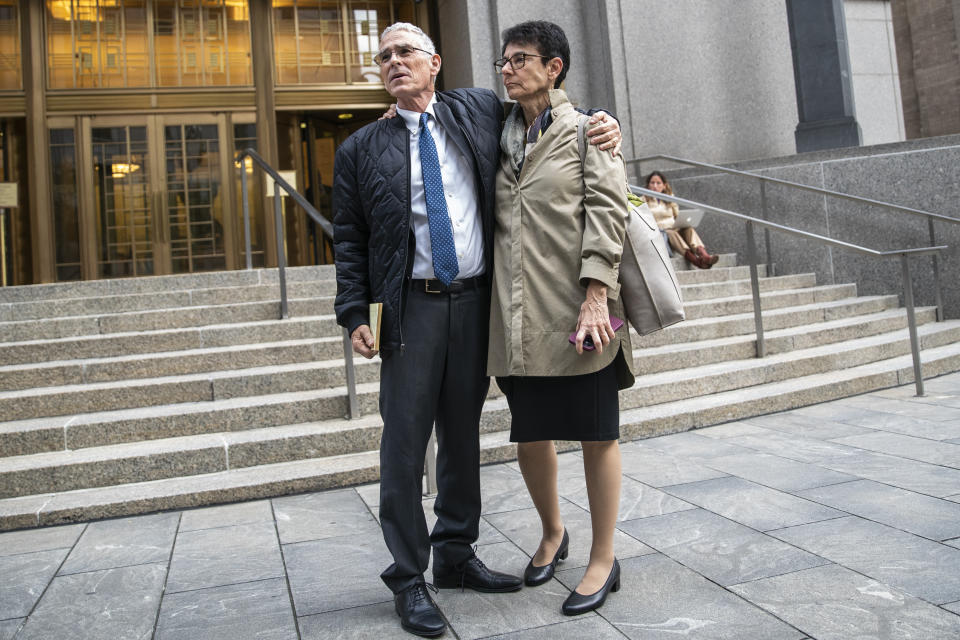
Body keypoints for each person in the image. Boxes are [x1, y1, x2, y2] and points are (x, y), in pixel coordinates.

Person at [332, 22, 621, 638]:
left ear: (436, 63)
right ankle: (409, 576)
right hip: (410, 309)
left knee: (462, 435)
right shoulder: (362, 148)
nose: (393, 62)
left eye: (405, 52)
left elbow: (547, 106)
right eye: (383, 56)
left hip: (477, 303)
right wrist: (356, 314)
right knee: (405, 446)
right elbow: (350, 241)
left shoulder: (477, 110)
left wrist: (604, 121)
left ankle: (456, 556)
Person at [487, 21, 635, 617]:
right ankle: (553, 531)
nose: (507, 68)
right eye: (503, 60)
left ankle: (604, 556)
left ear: (555, 68)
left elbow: (608, 213)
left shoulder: (585, 132)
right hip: (516, 316)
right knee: (531, 430)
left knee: (597, 432)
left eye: (521, 59)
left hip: (579, 312)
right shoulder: (495, 133)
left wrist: (597, 293)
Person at [644, 170, 719, 268]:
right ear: (648, 185)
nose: (655, 186)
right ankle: (696, 261)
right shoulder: (643, 200)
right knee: (671, 233)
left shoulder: (670, 199)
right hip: (661, 234)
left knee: (688, 229)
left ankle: (704, 256)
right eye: (652, 183)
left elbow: (677, 216)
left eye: (658, 183)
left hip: (674, 230)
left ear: (664, 186)